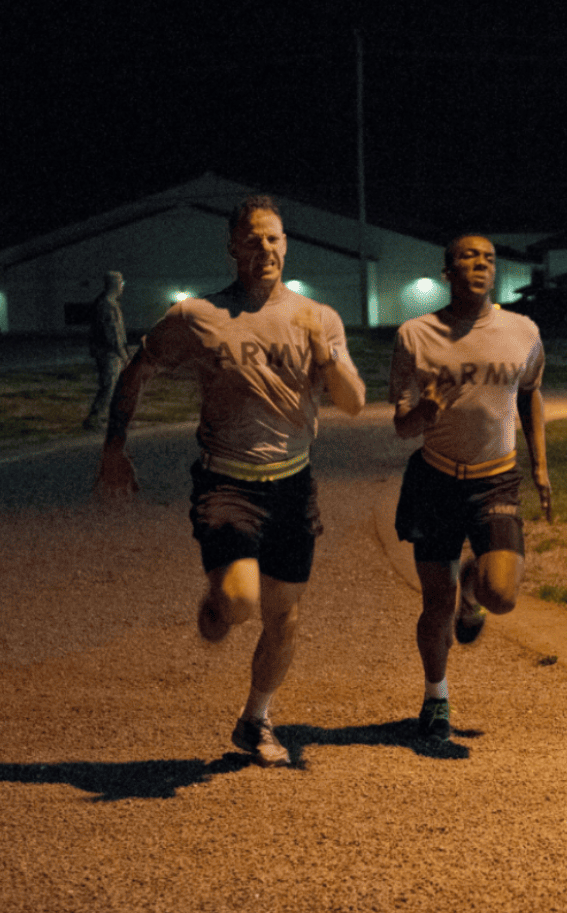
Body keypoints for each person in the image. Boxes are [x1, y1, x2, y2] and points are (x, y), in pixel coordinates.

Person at [94, 195, 366, 766]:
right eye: (252, 239)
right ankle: (220, 603)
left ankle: (255, 719)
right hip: (227, 484)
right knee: (239, 603)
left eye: (273, 238)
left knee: (284, 616)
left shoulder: (319, 318)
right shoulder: (197, 316)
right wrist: (115, 448)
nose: (264, 248)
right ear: (233, 248)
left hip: (293, 484)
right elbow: (136, 372)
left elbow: (354, 402)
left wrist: (330, 359)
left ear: (286, 244)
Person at [389, 234, 551, 744]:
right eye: (467, 257)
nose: (480, 264)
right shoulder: (415, 335)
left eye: (488, 258)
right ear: (447, 271)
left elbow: (530, 394)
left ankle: (473, 596)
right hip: (435, 481)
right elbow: (402, 425)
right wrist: (424, 411)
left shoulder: (522, 330)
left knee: (500, 595)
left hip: (495, 479)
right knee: (435, 603)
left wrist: (541, 467)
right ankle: (435, 698)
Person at [83, 270, 129, 430]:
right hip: (108, 353)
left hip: (110, 352)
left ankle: (116, 419)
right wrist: (124, 355)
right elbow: (113, 335)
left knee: (116, 387)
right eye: (122, 283)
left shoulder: (109, 303)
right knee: (109, 387)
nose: (123, 286)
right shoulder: (106, 305)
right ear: (116, 284)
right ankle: (94, 419)